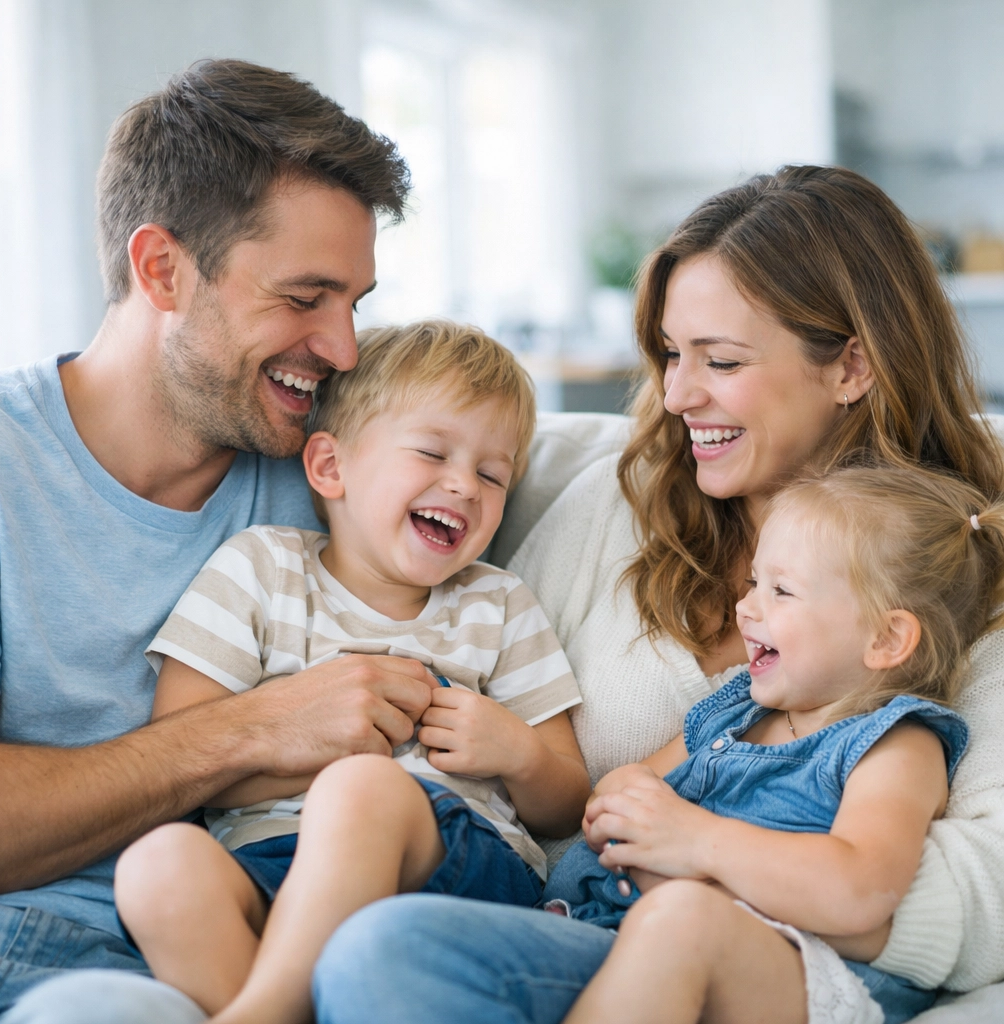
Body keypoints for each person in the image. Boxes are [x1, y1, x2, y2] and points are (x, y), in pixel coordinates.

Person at [311, 166, 1004, 1024]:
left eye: (720, 360)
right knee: (384, 955)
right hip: (594, 918)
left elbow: (984, 887)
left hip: (769, 962)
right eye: (672, 355)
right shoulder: (621, 500)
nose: (676, 395)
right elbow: (501, 728)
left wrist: (704, 861)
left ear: (852, 365)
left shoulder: (954, 565)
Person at [0, 57, 441, 1023]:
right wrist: (251, 727)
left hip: (251, 944)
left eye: (355, 302)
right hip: (26, 954)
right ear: (163, 270)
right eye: (304, 296)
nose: (345, 349)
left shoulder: (333, 475)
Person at [113, 321, 589, 1024]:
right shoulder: (261, 569)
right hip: (268, 856)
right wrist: (310, 749)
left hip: (452, 861)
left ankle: (263, 1011)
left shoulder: (498, 604)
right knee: (157, 865)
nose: (464, 484)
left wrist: (516, 752)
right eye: (432, 452)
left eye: (493, 473)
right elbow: (183, 753)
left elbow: (568, 800)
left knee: (365, 787)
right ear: (330, 468)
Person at [551, 464, 1004, 1024]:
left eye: (781, 591)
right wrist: (623, 794)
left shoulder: (894, 744)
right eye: (753, 583)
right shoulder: (741, 706)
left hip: (786, 971)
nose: (747, 607)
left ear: (886, 638)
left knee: (682, 921)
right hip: (607, 929)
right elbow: (640, 779)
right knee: (436, 942)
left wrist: (696, 841)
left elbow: (858, 887)